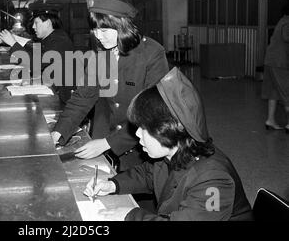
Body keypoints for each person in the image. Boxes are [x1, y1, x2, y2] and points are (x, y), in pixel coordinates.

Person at [84, 67, 253, 221]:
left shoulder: (213, 180)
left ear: (169, 129)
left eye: (144, 128)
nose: (137, 134)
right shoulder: (175, 151)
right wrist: (113, 184)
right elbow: (148, 174)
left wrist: (131, 216)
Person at [51, 0, 169, 170]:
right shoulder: (102, 54)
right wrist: (59, 132)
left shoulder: (152, 54)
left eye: (104, 30)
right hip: (103, 139)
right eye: (95, 30)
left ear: (123, 26)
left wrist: (108, 143)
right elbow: (83, 96)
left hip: (141, 148)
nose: (98, 36)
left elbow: (153, 112)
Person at [0, 9, 76, 102]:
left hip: (64, 97)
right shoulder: (50, 39)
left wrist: (13, 43)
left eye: (36, 23)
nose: (33, 26)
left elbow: (35, 65)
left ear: (48, 23)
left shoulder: (59, 40)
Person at [262, 2, 289, 133]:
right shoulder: (287, 22)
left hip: (270, 60)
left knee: (273, 91)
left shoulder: (282, 20)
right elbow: (287, 37)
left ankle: (270, 120)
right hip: (280, 62)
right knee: (286, 90)